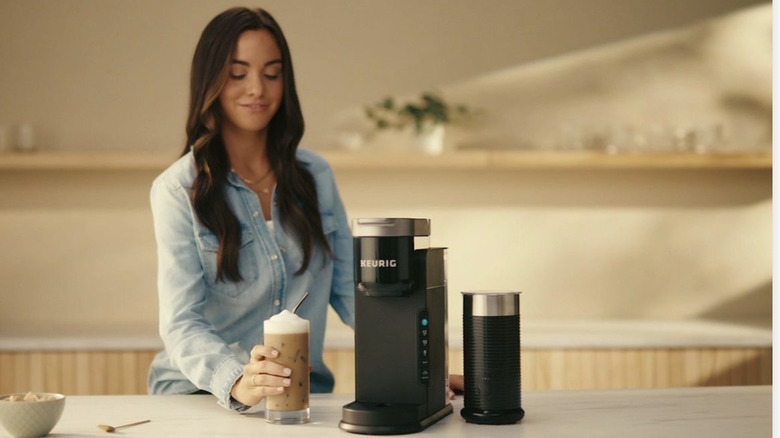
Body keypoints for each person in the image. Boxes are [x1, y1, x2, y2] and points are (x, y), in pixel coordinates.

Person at [147, 6, 462, 412]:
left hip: (302, 399)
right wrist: (238, 378)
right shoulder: (178, 189)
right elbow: (181, 323)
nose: (257, 89)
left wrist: (427, 365)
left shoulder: (315, 176)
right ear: (211, 80)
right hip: (200, 396)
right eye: (238, 73)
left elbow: (357, 295)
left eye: (272, 73)